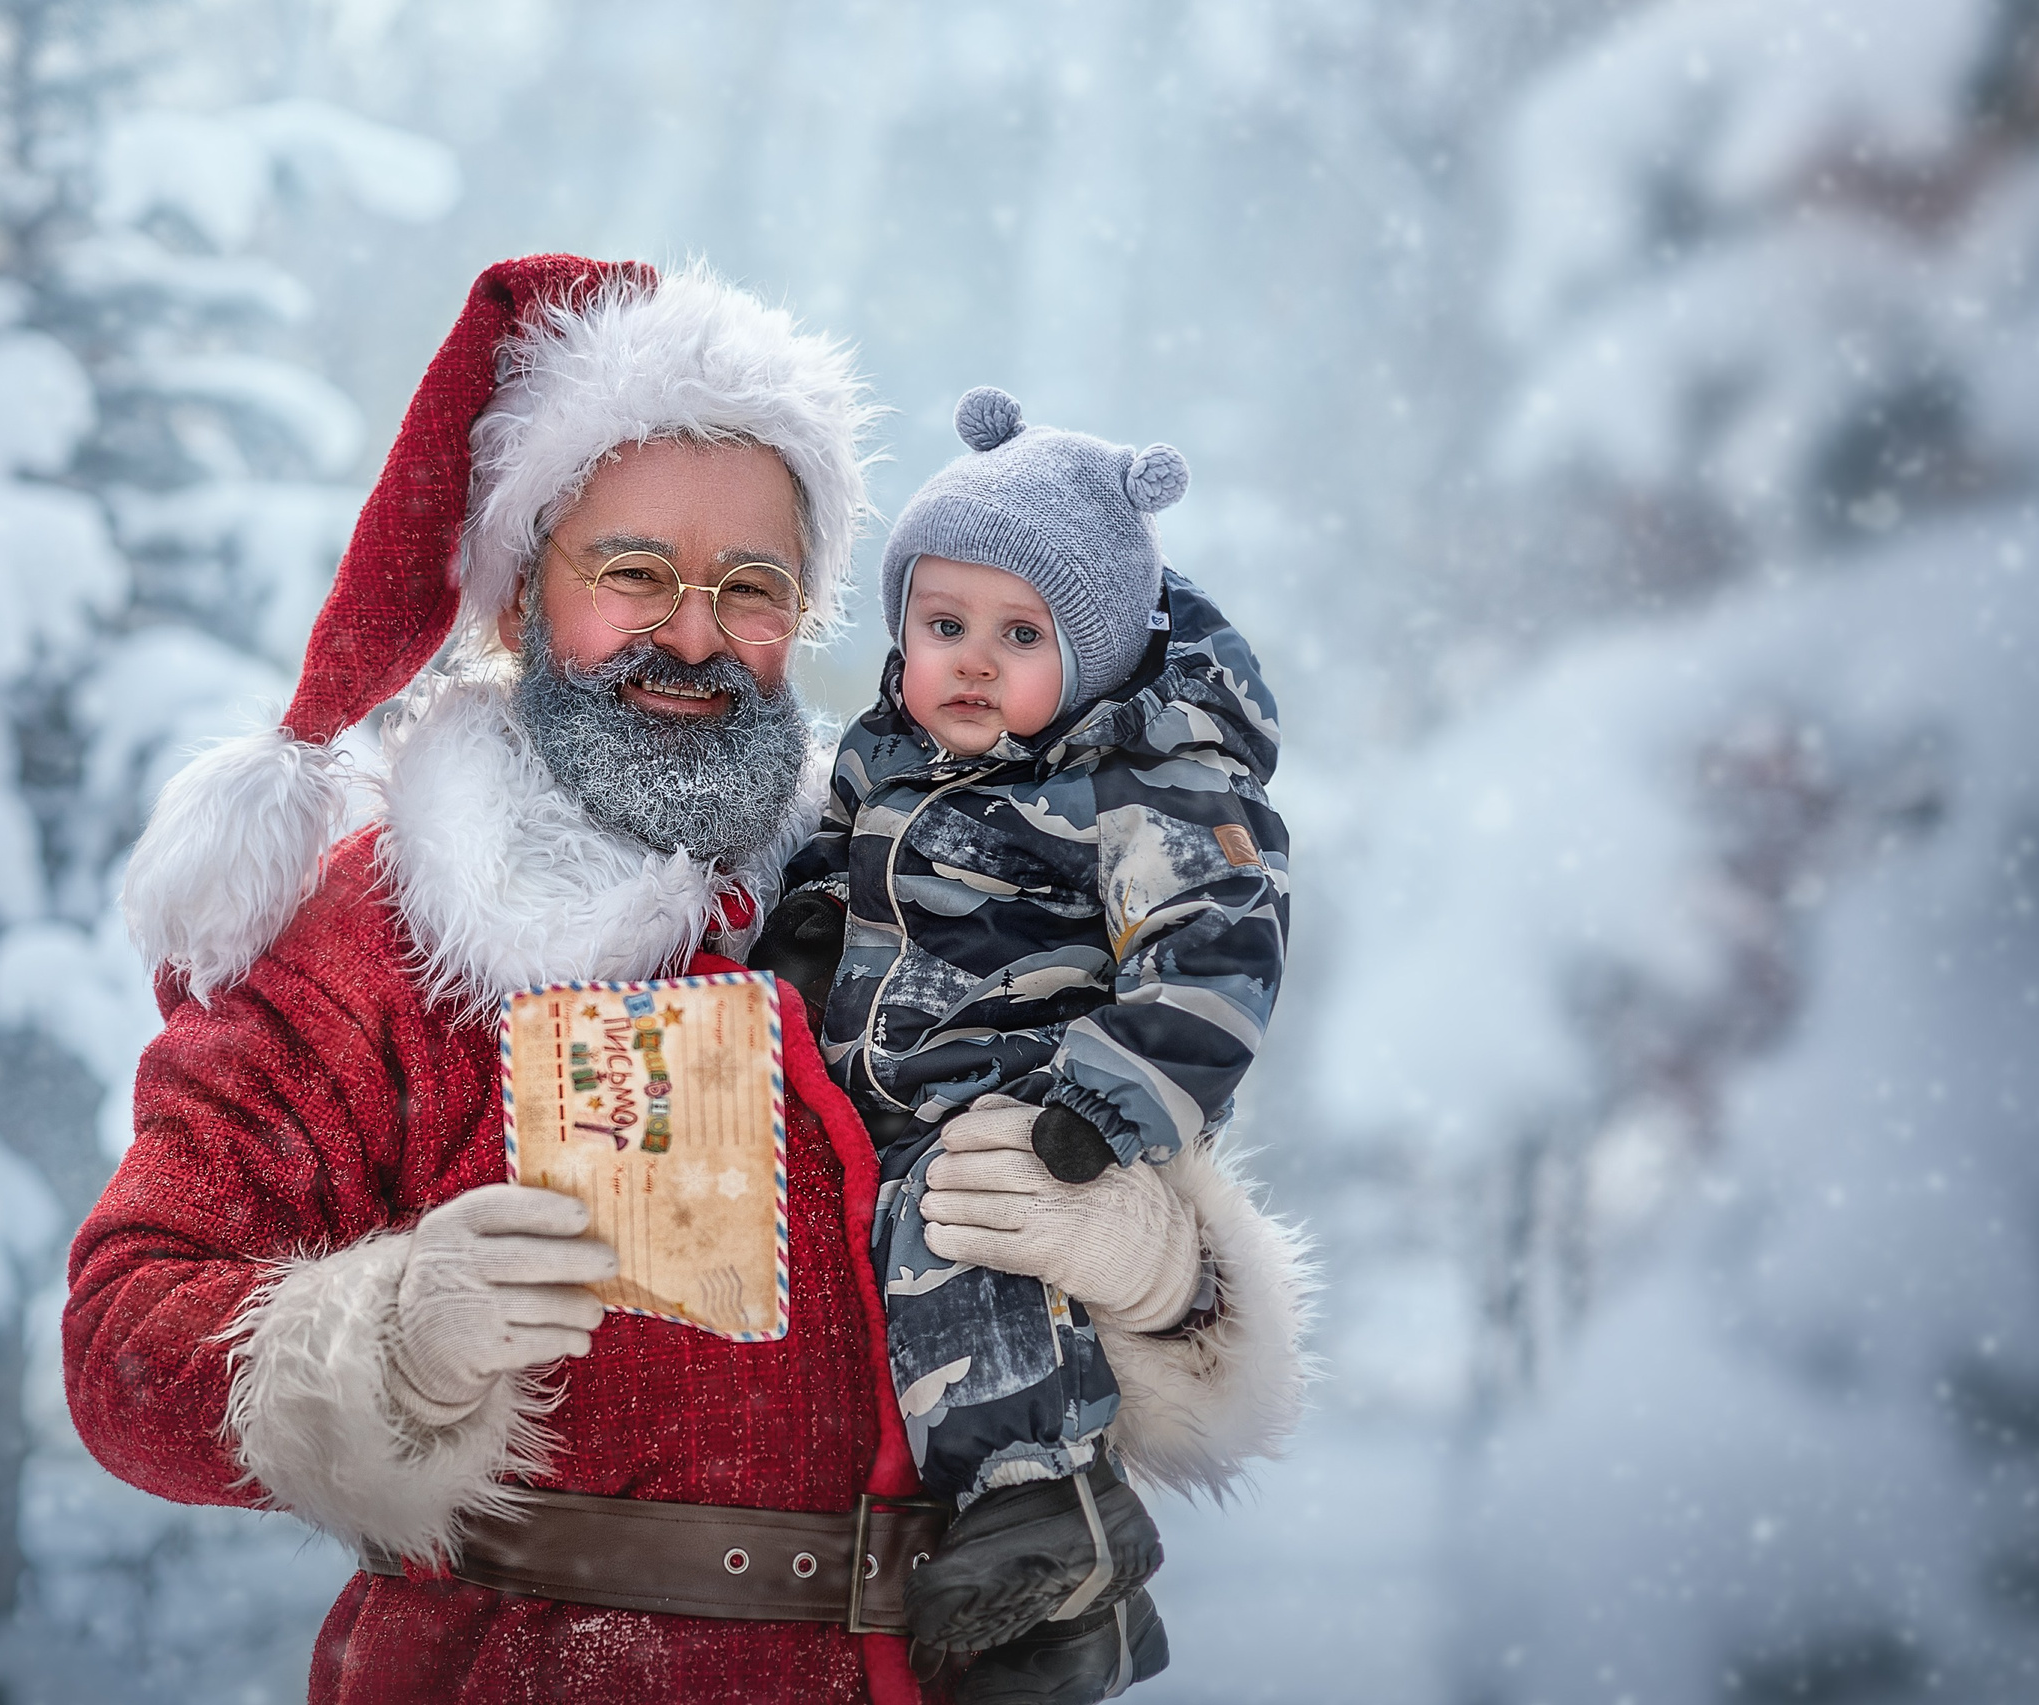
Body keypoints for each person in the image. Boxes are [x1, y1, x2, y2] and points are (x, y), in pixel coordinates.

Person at [64, 259, 1312, 1705]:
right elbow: (120, 1343)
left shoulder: (909, 891)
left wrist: (1160, 1272)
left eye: (752, 587)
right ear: (524, 595)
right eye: (636, 572)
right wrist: (393, 1338)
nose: (696, 631)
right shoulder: (377, 929)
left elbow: (1105, 1274)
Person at [754, 387, 1297, 1694]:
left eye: (1021, 634)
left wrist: (1108, 1099)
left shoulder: (1139, 783)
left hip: (1025, 1095)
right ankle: (1053, 1608)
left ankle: (1047, 1499)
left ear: (1097, 651)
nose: (975, 662)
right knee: (894, 1292)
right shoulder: (887, 760)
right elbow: (846, 873)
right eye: (945, 627)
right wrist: (809, 940)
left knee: (967, 1241)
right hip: (890, 1096)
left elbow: (1220, 940)